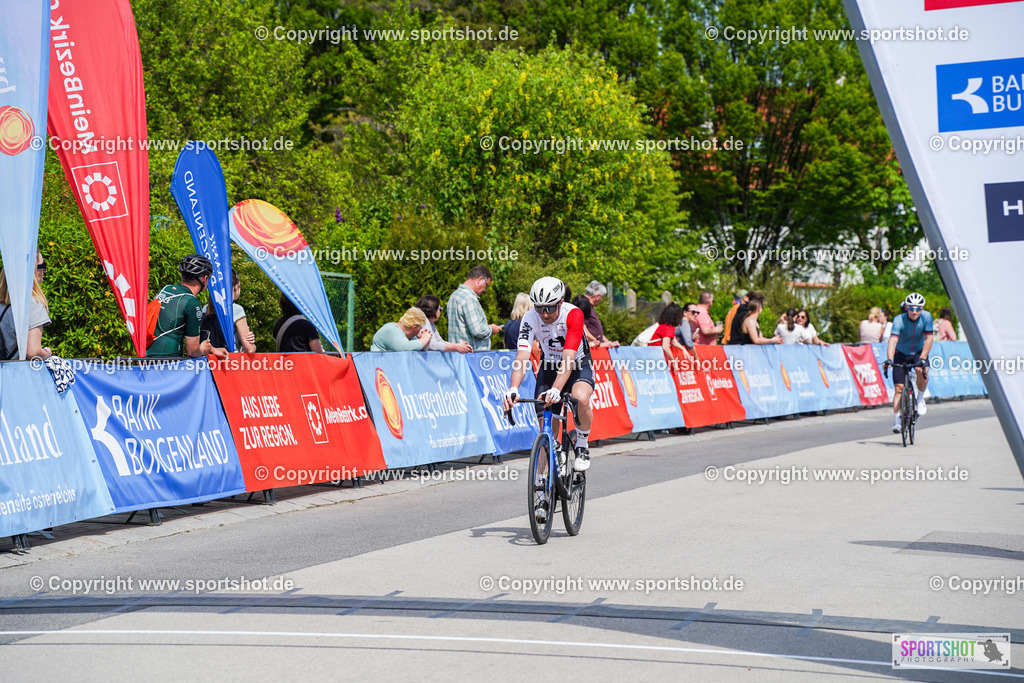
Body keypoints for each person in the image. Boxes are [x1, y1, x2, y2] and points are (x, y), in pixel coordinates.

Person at [503, 276, 595, 488]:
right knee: (546, 427)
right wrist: (513, 388)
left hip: (577, 363)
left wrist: (556, 390)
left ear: (560, 302)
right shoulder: (529, 318)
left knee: (580, 398)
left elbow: (569, 359)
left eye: (550, 308)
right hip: (549, 365)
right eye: (540, 308)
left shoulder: (573, 314)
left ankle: (581, 444)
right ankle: (542, 491)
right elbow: (522, 358)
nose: (544, 314)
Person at [147, 254, 228, 359]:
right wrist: (204, 349)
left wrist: (212, 349)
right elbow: (192, 351)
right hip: (168, 364)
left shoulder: (165, 290)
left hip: (146, 359)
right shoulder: (191, 302)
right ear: (204, 278)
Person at [883, 293, 934, 434]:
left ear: (922, 309)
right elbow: (892, 341)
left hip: (918, 352)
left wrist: (923, 358)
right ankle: (897, 421)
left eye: (918, 308)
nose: (915, 311)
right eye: (911, 308)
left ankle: (919, 399)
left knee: (922, 371)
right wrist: (889, 359)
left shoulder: (927, 317)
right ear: (907, 307)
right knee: (899, 388)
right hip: (901, 353)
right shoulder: (899, 320)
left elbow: (929, 338)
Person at [0, 251, 52, 360]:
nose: (44, 270)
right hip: (17, 373)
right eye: (41, 265)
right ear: (30, 270)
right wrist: (46, 353)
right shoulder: (32, 303)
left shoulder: (2, 303)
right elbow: (33, 352)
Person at [200, 270, 256, 353]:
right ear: (236, 287)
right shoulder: (235, 309)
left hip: (209, 360)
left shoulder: (206, 308)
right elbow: (249, 349)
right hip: (230, 360)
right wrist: (252, 344)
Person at [447, 265, 501, 351]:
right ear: (480, 280)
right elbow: (477, 330)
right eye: (486, 285)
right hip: (471, 356)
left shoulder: (454, 295)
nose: (485, 290)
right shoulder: (469, 298)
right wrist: (491, 329)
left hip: (457, 354)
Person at [584, 281, 619, 347]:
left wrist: (609, 343)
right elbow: (583, 329)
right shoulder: (585, 306)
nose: (601, 300)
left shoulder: (591, 307)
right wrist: (597, 342)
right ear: (597, 296)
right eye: (602, 297)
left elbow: (598, 333)